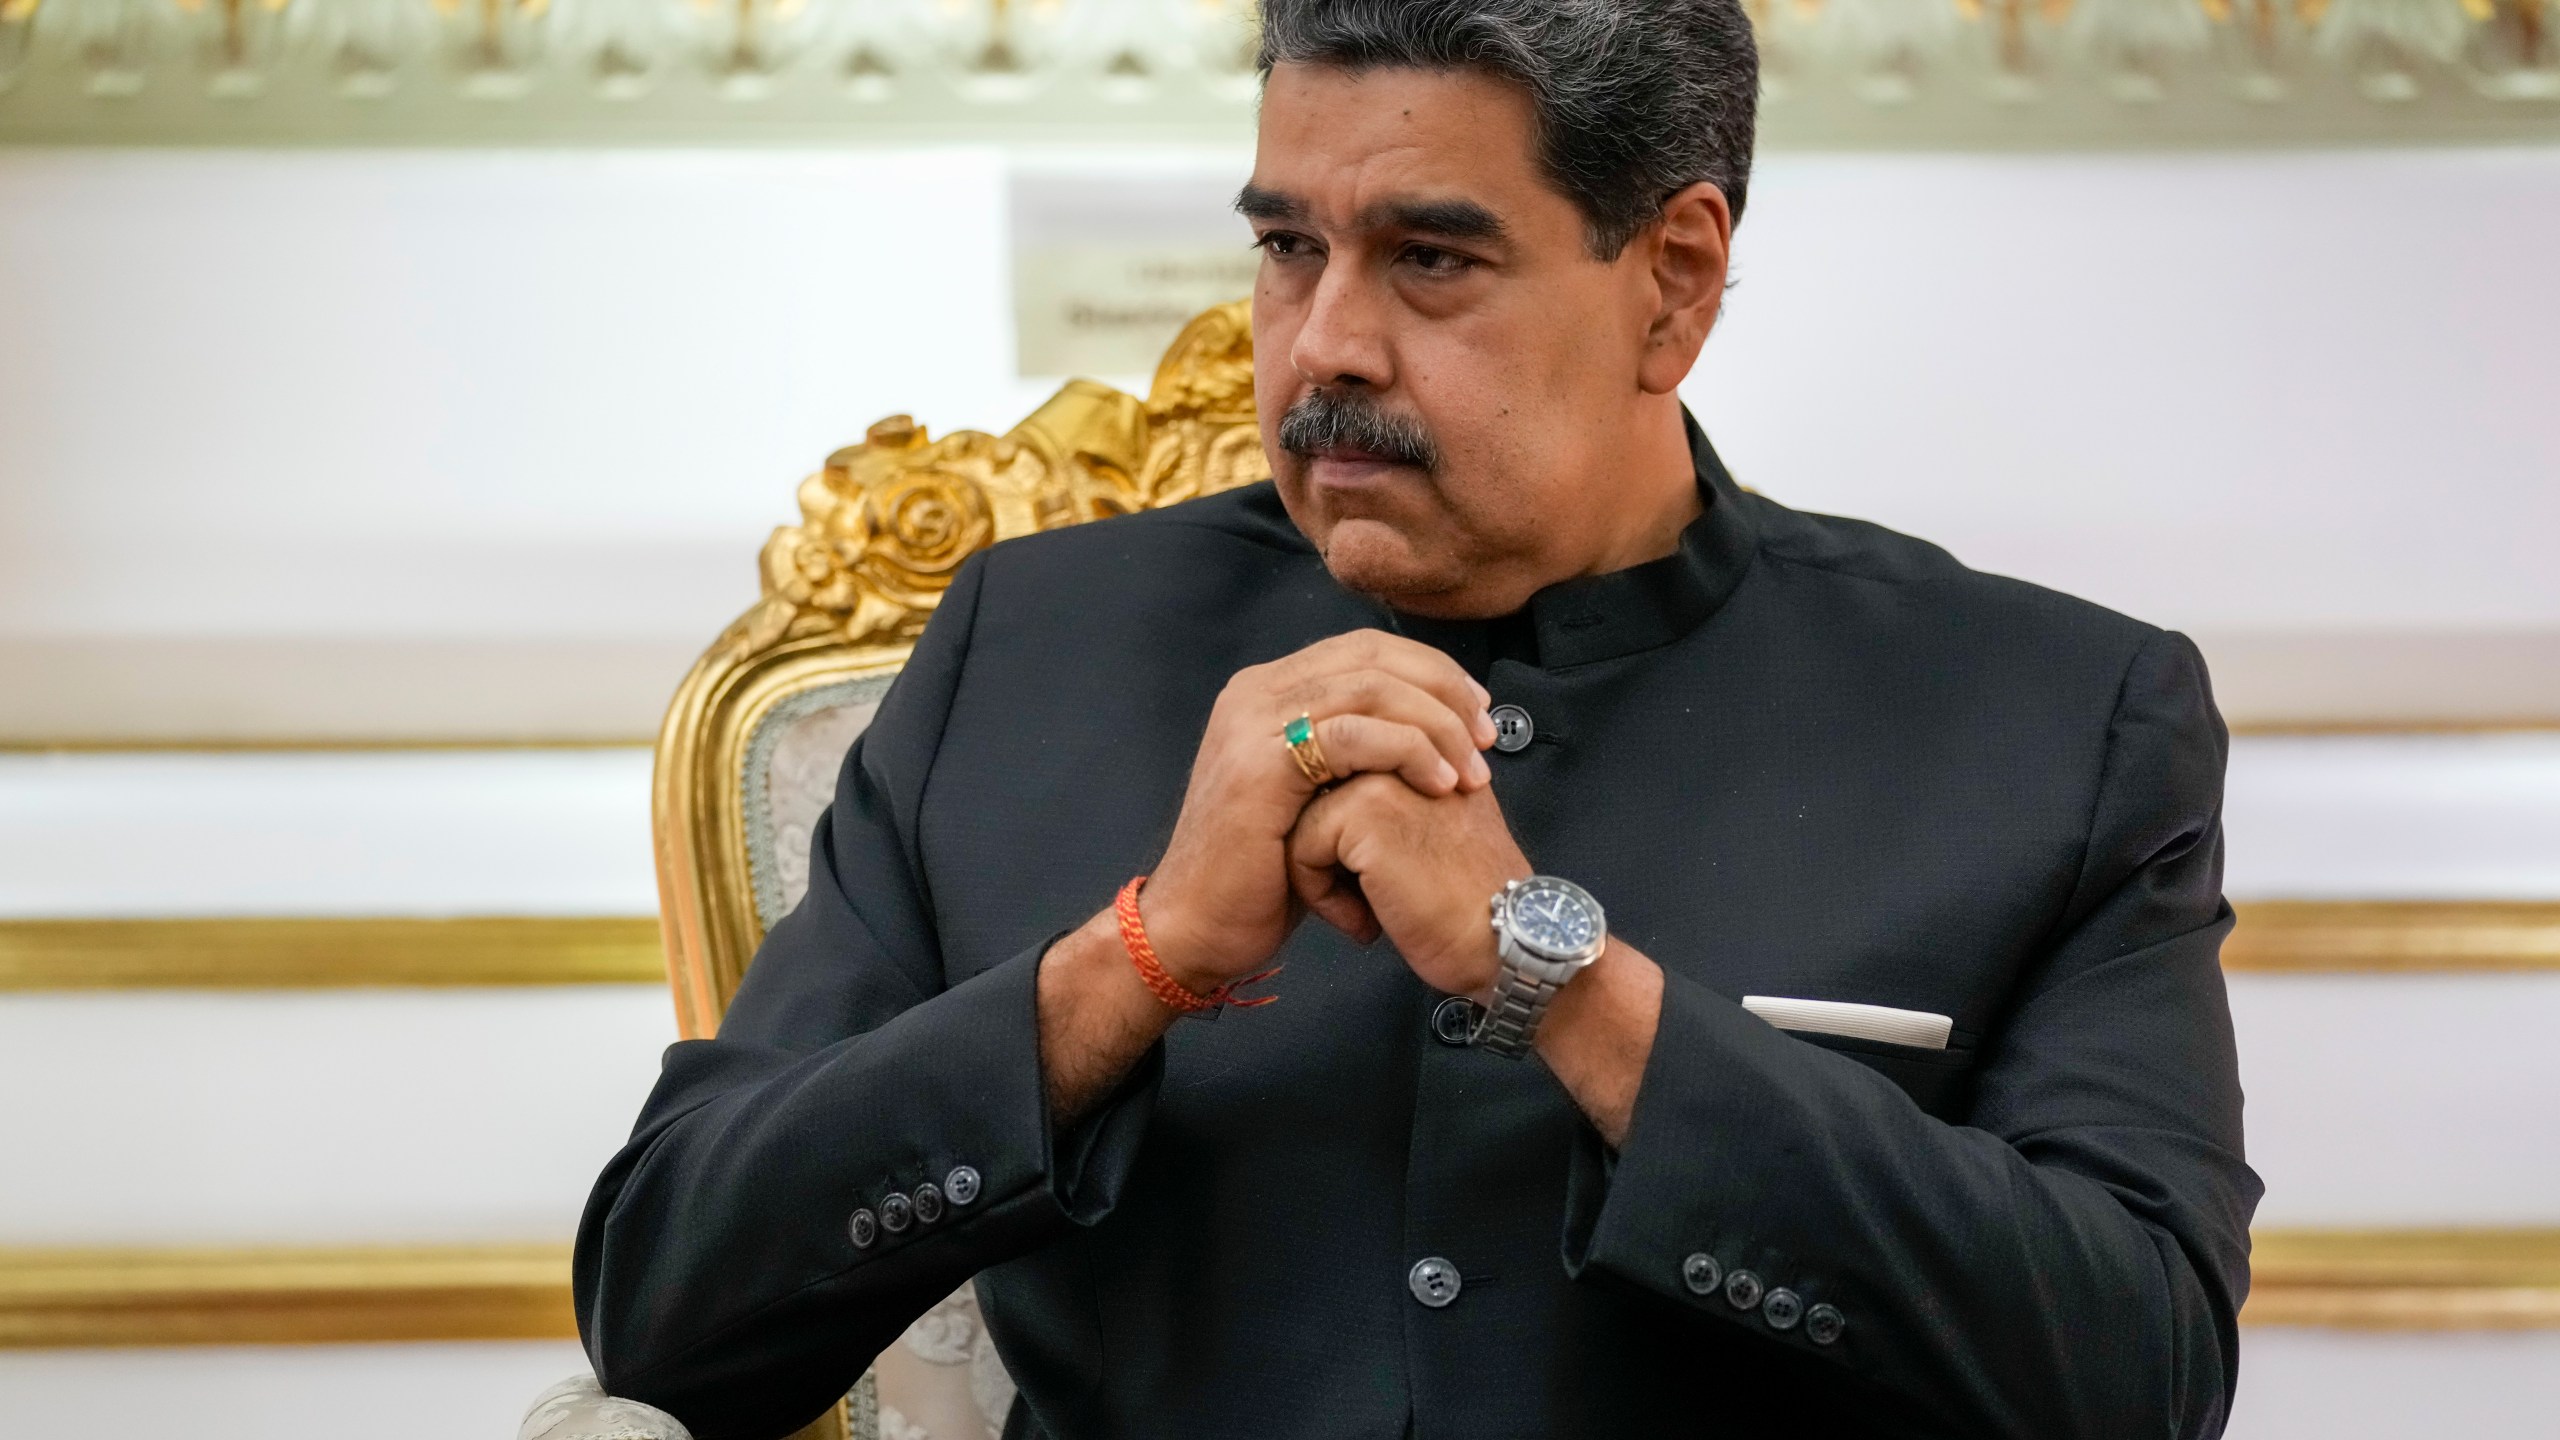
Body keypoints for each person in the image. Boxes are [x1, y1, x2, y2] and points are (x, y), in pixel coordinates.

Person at [575, 1, 2260, 1435]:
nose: (1327, 345)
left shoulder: (2054, 720)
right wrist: (1141, 961)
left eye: (1431, 259)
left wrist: (1572, 992)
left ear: (1672, 282)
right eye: (1287, 248)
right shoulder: (1028, 652)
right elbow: (666, 1312)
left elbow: (2136, 1376)